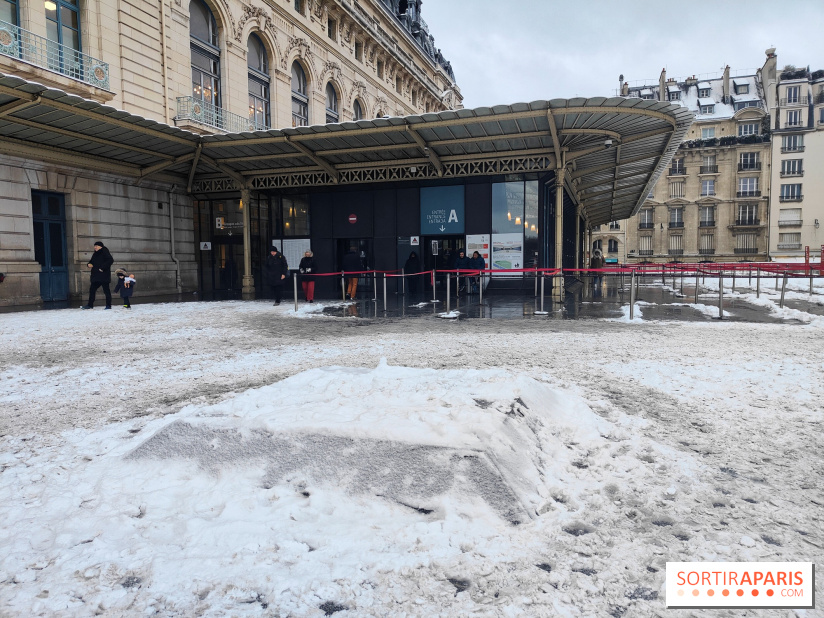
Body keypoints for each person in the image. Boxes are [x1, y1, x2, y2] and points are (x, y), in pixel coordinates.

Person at [81, 241, 113, 309]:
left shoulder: (105, 252)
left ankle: (108, 305)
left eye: (96, 246)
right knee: (92, 289)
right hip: (96, 276)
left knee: (106, 290)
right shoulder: (95, 254)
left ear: (100, 246)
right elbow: (91, 261)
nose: (95, 247)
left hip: (103, 275)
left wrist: (102, 268)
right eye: (94, 246)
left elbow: (110, 260)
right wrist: (89, 264)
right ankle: (90, 305)